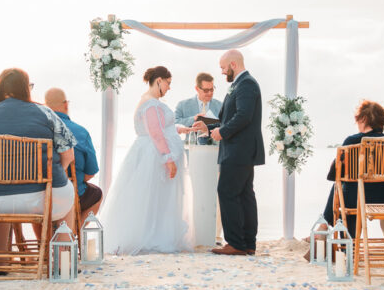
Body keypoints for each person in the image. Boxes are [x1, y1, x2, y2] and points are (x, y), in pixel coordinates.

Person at [0, 69, 77, 264]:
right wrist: (54, 175)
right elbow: (68, 154)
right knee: (67, 197)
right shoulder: (45, 112)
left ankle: (0, 263)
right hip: (42, 197)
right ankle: (64, 262)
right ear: (25, 88)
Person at [98, 66, 194, 255]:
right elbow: (156, 134)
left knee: (156, 197)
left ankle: (155, 233)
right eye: (168, 83)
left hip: (152, 153)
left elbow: (164, 128)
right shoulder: (151, 104)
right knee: (153, 196)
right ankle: (152, 237)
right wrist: (168, 159)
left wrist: (185, 129)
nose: (169, 88)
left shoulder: (151, 102)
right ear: (159, 80)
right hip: (154, 157)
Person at [196, 50, 265, 256]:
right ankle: (247, 243)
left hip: (238, 149)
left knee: (227, 192)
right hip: (240, 149)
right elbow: (228, 118)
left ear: (233, 64)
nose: (222, 71)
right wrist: (207, 126)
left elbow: (244, 116)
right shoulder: (239, 85)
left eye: (223, 67)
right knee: (244, 195)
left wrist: (222, 132)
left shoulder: (246, 84)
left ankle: (235, 243)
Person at [323, 99, 384, 234]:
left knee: (342, 186)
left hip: (356, 198)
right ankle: (325, 226)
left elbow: (334, 173)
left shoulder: (352, 141)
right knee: (349, 187)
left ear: (363, 119)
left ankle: (347, 246)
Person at [44, 87, 103, 222]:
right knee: (97, 194)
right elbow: (90, 174)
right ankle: (75, 236)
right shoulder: (81, 132)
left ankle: (44, 240)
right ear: (65, 104)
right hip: (73, 195)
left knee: (43, 199)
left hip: (41, 195)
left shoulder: (39, 130)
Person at [175, 72, 223, 145]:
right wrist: (193, 119)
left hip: (215, 151)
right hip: (190, 151)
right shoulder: (182, 105)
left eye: (212, 89)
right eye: (206, 90)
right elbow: (173, 124)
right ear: (197, 88)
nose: (210, 93)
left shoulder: (221, 106)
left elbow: (227, 126)